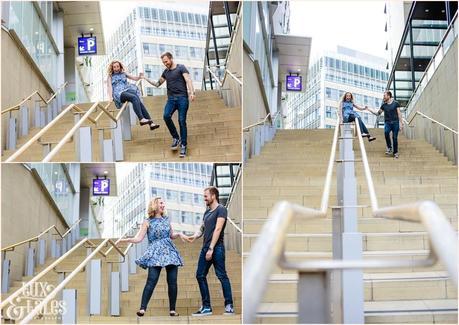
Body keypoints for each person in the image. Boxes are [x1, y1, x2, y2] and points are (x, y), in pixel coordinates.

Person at [119, 197, 186, 317]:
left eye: (163, 203)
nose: (163, 205)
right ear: (154, 205)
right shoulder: (147, 221)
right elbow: (139, 238)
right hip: (155, 252)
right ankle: (142, 308)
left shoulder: (167, 219)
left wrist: (179, 234)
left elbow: (171, 235)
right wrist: (126, 240)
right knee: (151, 280)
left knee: (172, 282)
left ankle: (172, 310)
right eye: (161, 203)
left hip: (169, 251)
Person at [187, 186, 234, 316]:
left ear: (213, 196)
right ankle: (206, 307)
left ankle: (229, 305)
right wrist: (194, 236)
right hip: (205, 248)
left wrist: (211, 248)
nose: (204, 198)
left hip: (216, 248)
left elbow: (218, 229)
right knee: (200, 275)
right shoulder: (206, 212)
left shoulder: (221, 210)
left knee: (222, 275)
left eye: (206, 196)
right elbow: (201, 228)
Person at [142, 52, 195, 158]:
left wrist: (192, 92)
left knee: (181, 120)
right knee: (166, 116)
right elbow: (157, 84)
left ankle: (184, 145)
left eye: (166, 61)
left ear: (171, 59)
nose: (165, 63)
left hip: (182, 98)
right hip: (171, 99)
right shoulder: (166, 72)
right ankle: (176, 137)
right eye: (163, 62)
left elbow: (188, 79)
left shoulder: (181, 68)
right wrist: (145, 78)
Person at [107, 60, 159, 130]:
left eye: (117, 66)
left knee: (137, 99)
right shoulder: (110, 76)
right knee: (134, 97)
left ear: (120, 67)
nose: (116, 68)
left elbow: (135, 78)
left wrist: (139, 76)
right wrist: (110, 98)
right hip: (118, 93)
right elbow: (109, 87)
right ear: (112, 68)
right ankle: (141, 119)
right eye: (114, 67)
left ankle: (151, 123)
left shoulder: (124, 73)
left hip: (126, 89)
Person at [367, 91, 403, 158]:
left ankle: (395, 152)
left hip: (395, 123)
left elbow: (399, 113)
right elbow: (378, 114)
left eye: (384, 96)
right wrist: (369, 110)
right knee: (386, 133)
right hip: (388, 123)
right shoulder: (384, 105)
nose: (383, 97)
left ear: (389, 96)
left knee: (394, 138)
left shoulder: (396, 103)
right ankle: (389, 148)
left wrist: (401, 123)